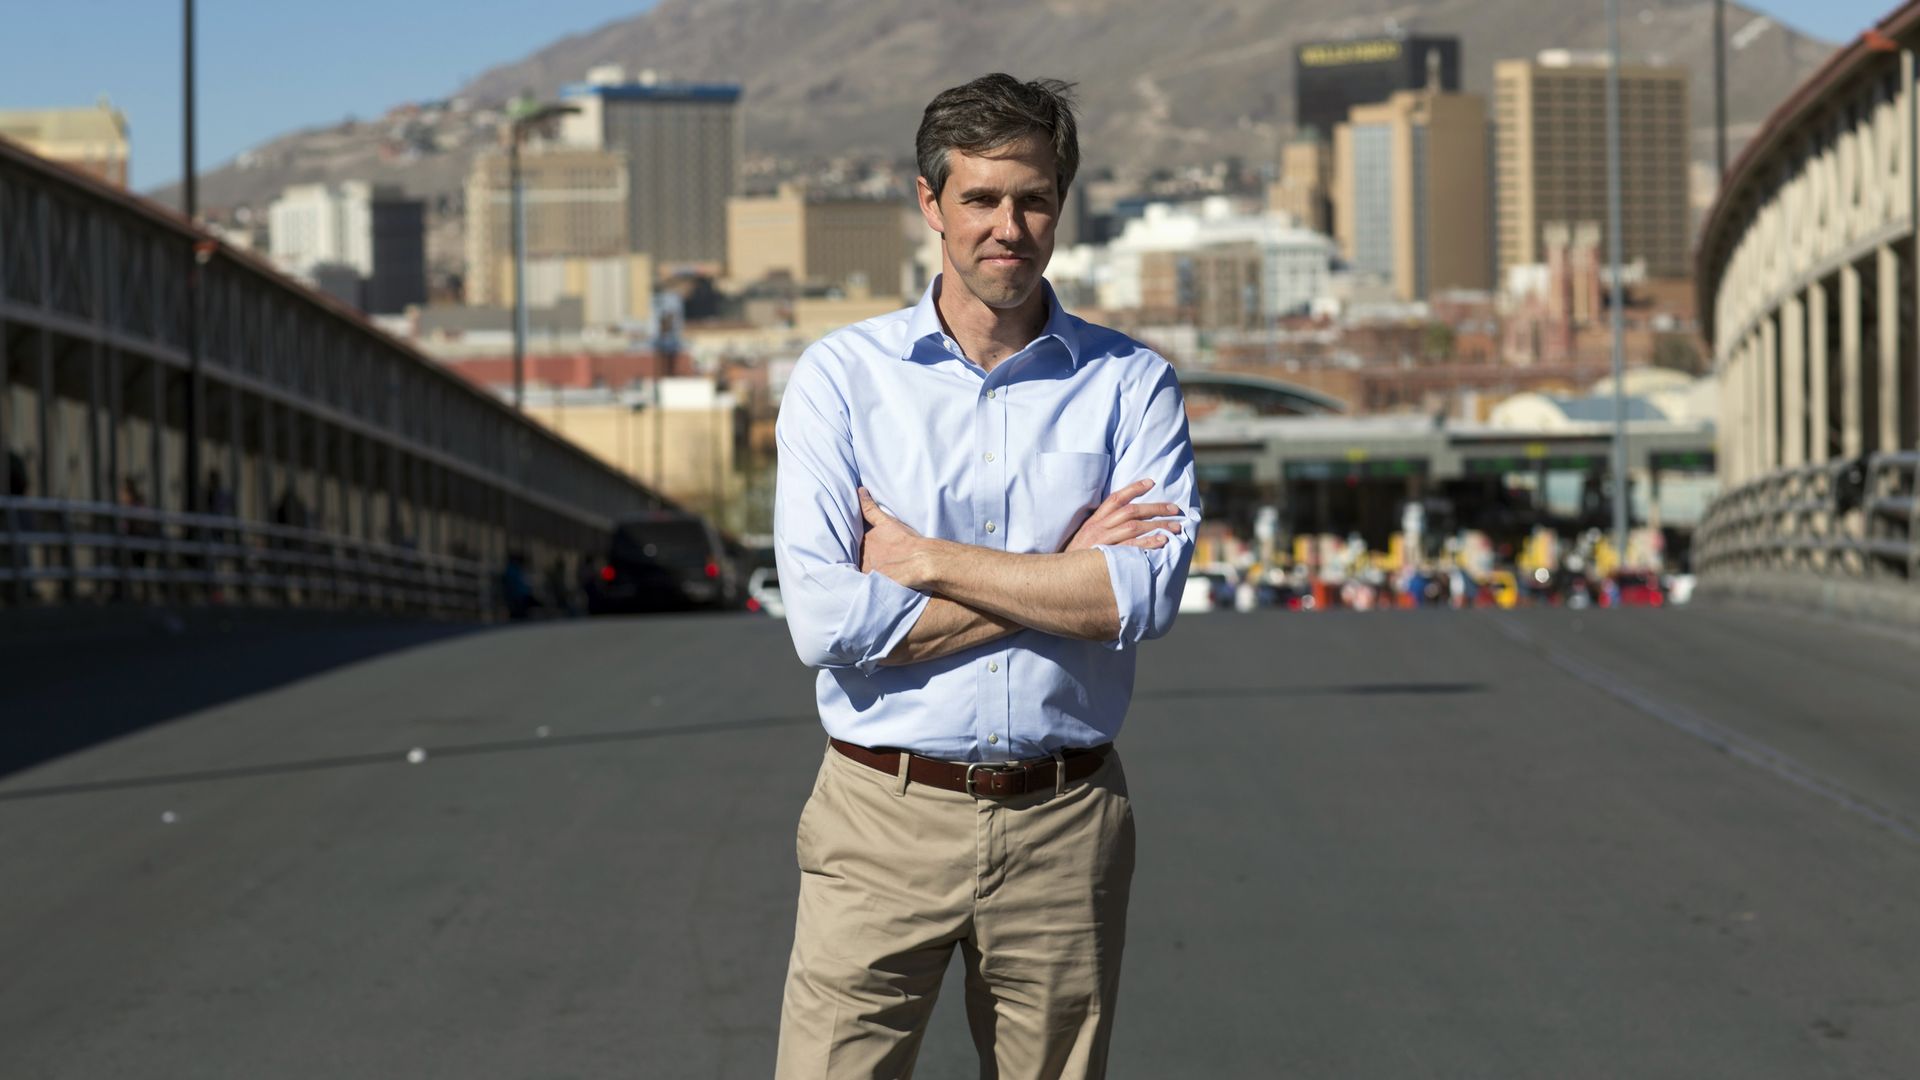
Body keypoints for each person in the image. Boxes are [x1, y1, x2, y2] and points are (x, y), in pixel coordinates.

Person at [772, 74, 1199, 1078]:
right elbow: (827, 622)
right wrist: (1061, 575)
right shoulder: (844, 379)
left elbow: (1141, 598)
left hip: (1067, 822)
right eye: (981, 199)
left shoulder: (1131, 385)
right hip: (880, 819)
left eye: (1035, 198)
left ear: (1062, 204)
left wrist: (926, 565)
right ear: (932, 205)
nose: (1010, 225)